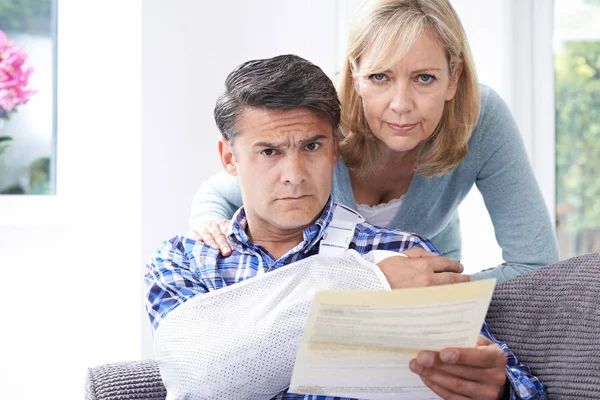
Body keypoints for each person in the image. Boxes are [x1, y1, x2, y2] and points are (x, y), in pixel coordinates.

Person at [145, 54, 545, 400]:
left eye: (312, 146)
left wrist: (498, 388)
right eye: (269, 152)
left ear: (336, 147)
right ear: (229, 159)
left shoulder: (406, 254)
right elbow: (199, 379)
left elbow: (519, 382)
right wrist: (371, 283)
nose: (294, 175)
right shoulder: (184, 262)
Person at [187, 0, 559, 283]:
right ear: (356, 74)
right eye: (380, 77)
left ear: (453, 77)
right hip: (328, 299)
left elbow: (536, 266)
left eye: (424, 78)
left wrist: (439, 293)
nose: (401, 105)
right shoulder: (320, 119)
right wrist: (210, 228)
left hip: (426, 293)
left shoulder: (482, 117)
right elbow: (219, 194)